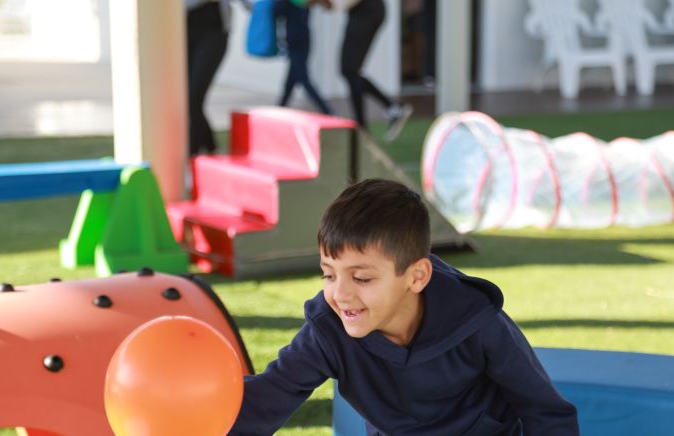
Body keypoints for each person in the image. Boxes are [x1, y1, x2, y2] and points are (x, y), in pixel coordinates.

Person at [229, 178, 579, 435]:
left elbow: (545, 412)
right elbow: (265, 400)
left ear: (416, 277)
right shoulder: (328, 329)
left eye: (362, 278)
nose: (341, 294)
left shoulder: (476, 320)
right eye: (328, 275)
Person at [337, 0, 414, 142]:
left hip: (367, 10)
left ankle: (364, 127)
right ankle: (389, 110)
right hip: (363, 11)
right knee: (349, 70)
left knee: (350, 69)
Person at [185, 0, 248, 156]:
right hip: (184, 33)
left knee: (194, 97)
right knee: (189, 100)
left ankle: (191, 156)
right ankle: (212, 151)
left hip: (213, 31)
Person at [274, 0, 334, 114]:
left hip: (297, 41)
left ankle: (328, 111)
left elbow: (277, 12)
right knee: (291, 80)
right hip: (301, 40)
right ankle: (280, 108)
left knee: (303, 79)